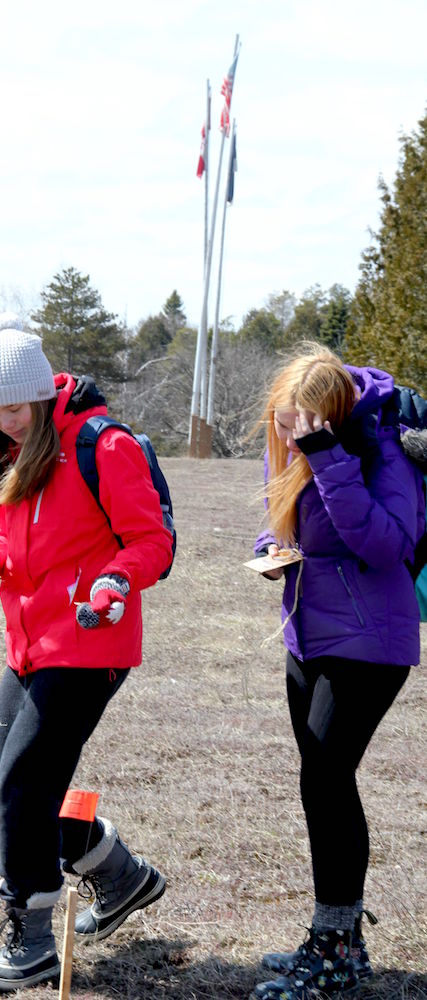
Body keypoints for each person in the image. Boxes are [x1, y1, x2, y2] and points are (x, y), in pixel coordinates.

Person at [0, 313, 173, 994]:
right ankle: (117, 873)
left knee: (22, 787)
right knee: (11, 788)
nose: (4, 421)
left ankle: (32, 937)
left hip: (89, 640)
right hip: (27, 643)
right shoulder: (18, 451)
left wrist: (115, 578)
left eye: (13, 407)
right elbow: (13, 535)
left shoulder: (104, 444)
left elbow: (149, 542)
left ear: (41, 394)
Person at [250, 344, 423, 1000]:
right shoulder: (297, 446)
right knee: (319, 785)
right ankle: (338, 941)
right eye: (282, 423)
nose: (288, 436)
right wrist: (271, 546)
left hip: (370, 641)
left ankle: (332, 950)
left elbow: (387, 544)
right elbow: (284, 518)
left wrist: (328, 462)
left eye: (301, 425)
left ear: (331, 416)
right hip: (308, 635)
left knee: (325, 781)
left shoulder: (385, 452)